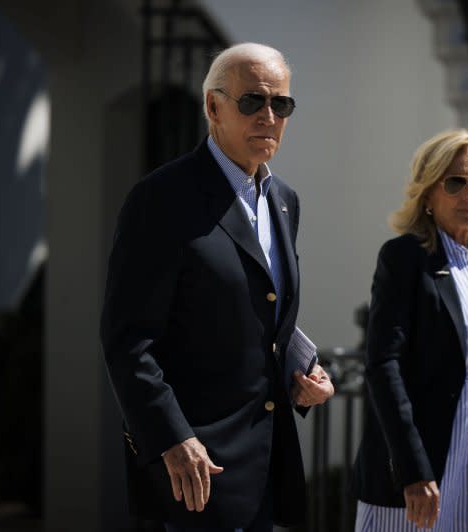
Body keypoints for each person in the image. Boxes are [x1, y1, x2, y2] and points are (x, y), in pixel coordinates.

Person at [100, 42, 334, 532]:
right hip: (194, 467)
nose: (268, 116)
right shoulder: (160, 199)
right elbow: (129, 341)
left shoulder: (284, 201)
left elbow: (257, 308)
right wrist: (171, 439)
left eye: (281, 104)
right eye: (252, 101)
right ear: (213, 107)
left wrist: (301, 371)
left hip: (267, 463)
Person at [351, 129, 468, 531]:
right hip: (427, 455)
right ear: (428, 194)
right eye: (455, 182)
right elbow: (382, 364)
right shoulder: (405, 258)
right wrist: (411, 470)